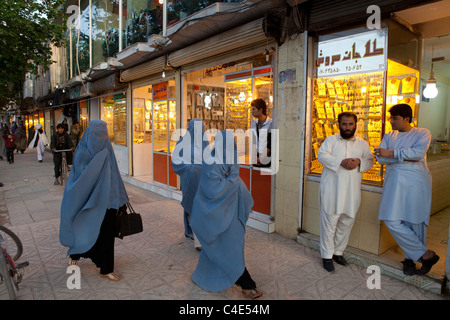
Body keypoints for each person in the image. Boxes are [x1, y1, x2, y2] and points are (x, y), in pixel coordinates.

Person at [190, 130, 262, 299]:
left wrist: (232, 179)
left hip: (229, 212)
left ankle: (202, 276)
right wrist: (232, 181)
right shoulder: (212, 161)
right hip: (214, 214)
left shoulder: (227, 157)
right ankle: (247, 284)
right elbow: (213, 189)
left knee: (216, 249)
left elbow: (234, 178)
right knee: (230, 249)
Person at [59, 120, 129, 281]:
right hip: (87, 200)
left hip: (108, 202)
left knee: (107, 235)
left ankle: (106, 268)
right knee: (81, 226)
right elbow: (79, 178)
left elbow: (115, 174)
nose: (100, 138)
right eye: (97, 134)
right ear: (90, 133)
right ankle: (75, 253)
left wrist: (120, 197)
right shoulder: (83, 151)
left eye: (103, 134)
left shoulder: (107, 149)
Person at [375, 104, 439, 275]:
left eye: (395, 118)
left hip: (416, 183)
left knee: (415, 221)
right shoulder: (389, 135)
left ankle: (410, 260)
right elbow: (380, 158)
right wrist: (403, 156)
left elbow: (418, 154)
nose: (391, 122)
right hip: (395, 183)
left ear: (407, 119)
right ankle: (426, 255)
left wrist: (392, 154)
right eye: (391, 118)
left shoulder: (422, 133)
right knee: (392, 221)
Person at [318, 112, 373, 272]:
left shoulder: (362, 144)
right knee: (329, 222)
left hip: (352, 191)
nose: (348, 127)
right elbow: (321, 156)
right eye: (344, 124)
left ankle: (338, 252)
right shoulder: (331, 141)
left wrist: (359, 161)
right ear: (338, 124)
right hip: (331, 190)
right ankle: (327, 256)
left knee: (347, 220)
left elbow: (369, 161)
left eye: (350, 124)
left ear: (356, 125)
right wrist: (340, 162)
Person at [171, 118, 210, 249]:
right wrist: (189, 169)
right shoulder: (183, 143)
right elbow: (175, 161)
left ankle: (190, 231)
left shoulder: (204, 142)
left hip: (203, 180)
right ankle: (198, 240)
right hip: (190, 180)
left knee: (198, 206)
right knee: (191, 204)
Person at [250, 98, 272, 167]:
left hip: (266, 159)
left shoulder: (270, 123)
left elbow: (270, 143)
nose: (251, 111)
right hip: (256, 158)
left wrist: (261, 158)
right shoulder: (254, 123)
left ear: (261, 110)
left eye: (254, 109)